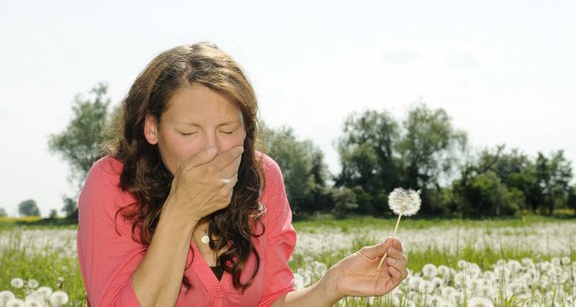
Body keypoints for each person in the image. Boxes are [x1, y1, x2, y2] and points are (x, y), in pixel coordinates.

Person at [77, 42, 408, 306]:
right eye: (188, 133)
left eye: (227, 130)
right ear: (152, 128)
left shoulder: (263, 178)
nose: (212, 151)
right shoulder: (112, 183)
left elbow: (270, 301)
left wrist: (332, 285)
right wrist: (181, 212)